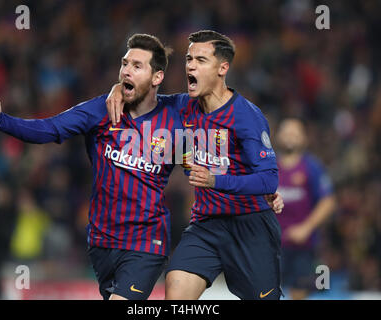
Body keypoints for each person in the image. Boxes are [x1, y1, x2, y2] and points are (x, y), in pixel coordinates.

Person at [0, 33, 284, 300]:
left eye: (137, 66)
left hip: (152, 240)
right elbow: (49, 129)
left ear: (156, 78)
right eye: (124, 64)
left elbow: (260, 171)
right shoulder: (106, 109)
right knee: (174, 286)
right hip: (106, 239)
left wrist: (257, 188)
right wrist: (0, 120)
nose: (190, 65)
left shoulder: (180, 111)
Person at [107, 30, 284, 300]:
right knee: (176, 286)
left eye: (201, 60)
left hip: (251, 226)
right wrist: (119, 88)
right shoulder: (182, 107)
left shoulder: (247, 117)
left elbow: (269, 180)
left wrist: (216, 181)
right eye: (189, 58)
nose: (190, 65)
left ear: (222, 68)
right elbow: (144, 101)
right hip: (206, 224)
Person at [275, 118, 336, 300]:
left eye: (295, 133)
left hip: (302, 247)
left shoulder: (312, 167)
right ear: (278, 136)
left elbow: (328, 201)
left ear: (304, 139)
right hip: (271, 245)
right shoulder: (267, 166)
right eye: (286, 132)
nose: (290, 137)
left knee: (299, 292)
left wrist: (306, 228)